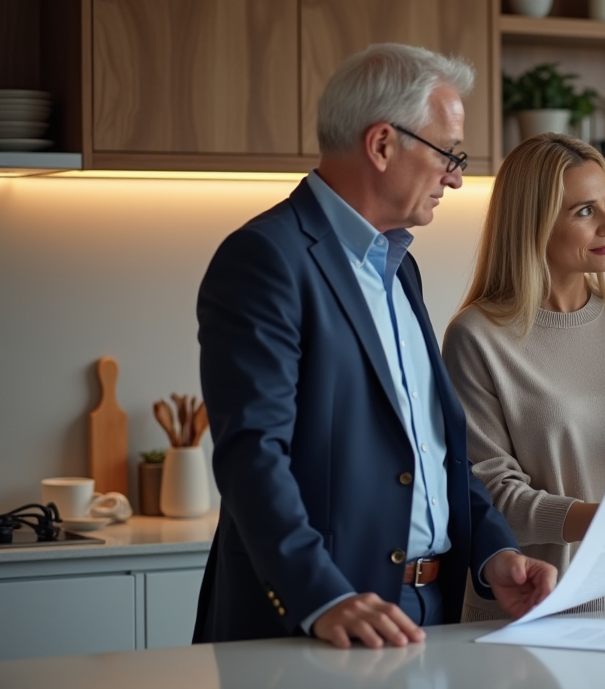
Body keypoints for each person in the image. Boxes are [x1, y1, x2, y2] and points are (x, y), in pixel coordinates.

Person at [193, 43, 557, 648]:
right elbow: (253, 455)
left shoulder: (399, 267)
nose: (457, 177)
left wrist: (496, 554)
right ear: (383, 144)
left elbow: (434, 445)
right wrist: (322, 597)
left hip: (428, 611)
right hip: (318, 623)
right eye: (448, 154)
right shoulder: (266, 259)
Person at [442, 133, 605, 621]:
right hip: (532, 607)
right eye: (584, 211)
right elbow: (490, 495)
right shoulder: (476, 336)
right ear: (532, 226)